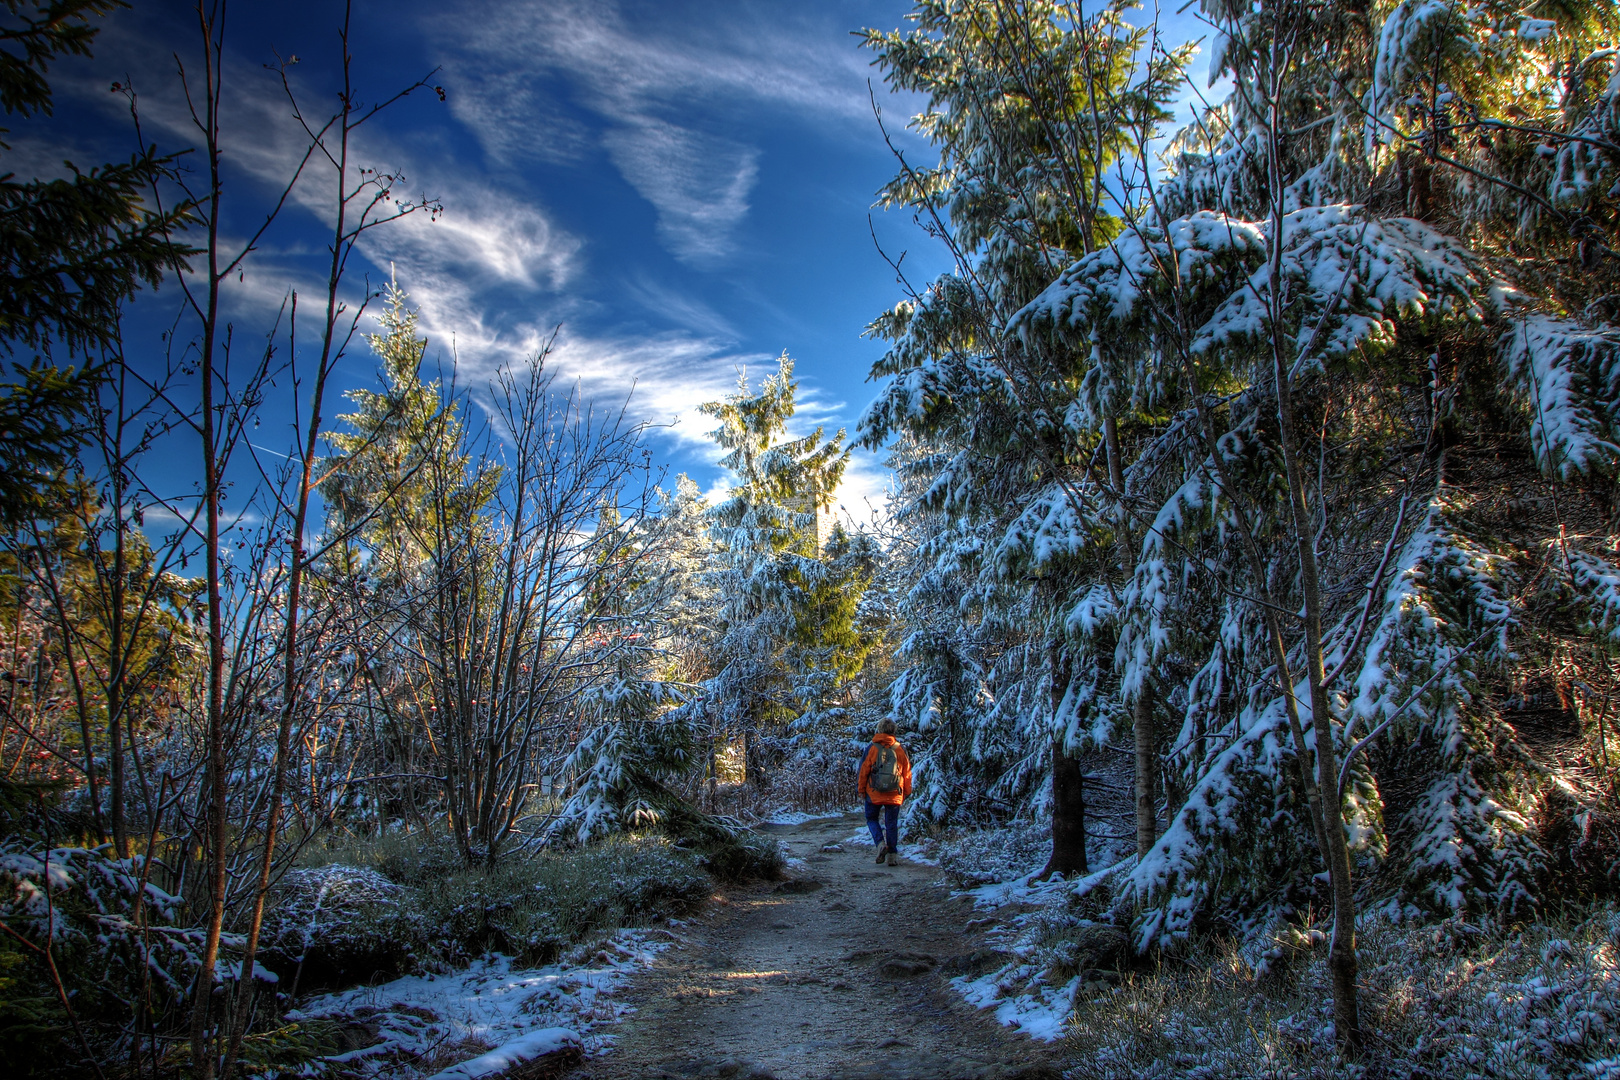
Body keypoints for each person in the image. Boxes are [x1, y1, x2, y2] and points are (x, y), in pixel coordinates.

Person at [858, 718, 911, 866]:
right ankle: (892, 856)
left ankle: (880, 844)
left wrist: (861, 790)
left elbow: (863, 771)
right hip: (894, 793)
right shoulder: (899, 749)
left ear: (879, 730)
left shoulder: (872, 748)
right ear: (893, 731)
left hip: (873, 793)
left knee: (871, 819)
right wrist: (906, 791)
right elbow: (906, 772)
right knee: (891, 823)